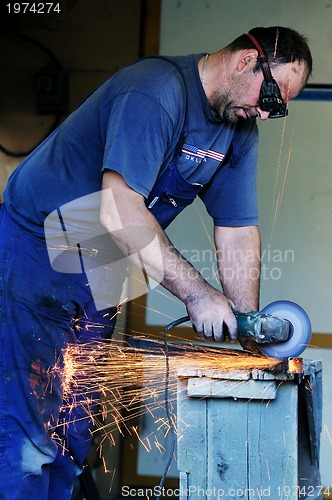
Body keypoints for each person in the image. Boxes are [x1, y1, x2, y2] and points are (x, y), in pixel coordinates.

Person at [0, 26, 312, 498]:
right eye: (270, 94)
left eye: (280, 106)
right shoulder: (156, 90)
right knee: (25, 432)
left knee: (71, 429)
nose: (267, 113)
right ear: (247, 60)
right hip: (34, 252)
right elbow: (120, 207)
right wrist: (198, 294)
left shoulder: (238, 129)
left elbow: (236, 230)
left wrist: (248, 329)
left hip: (102, 264)